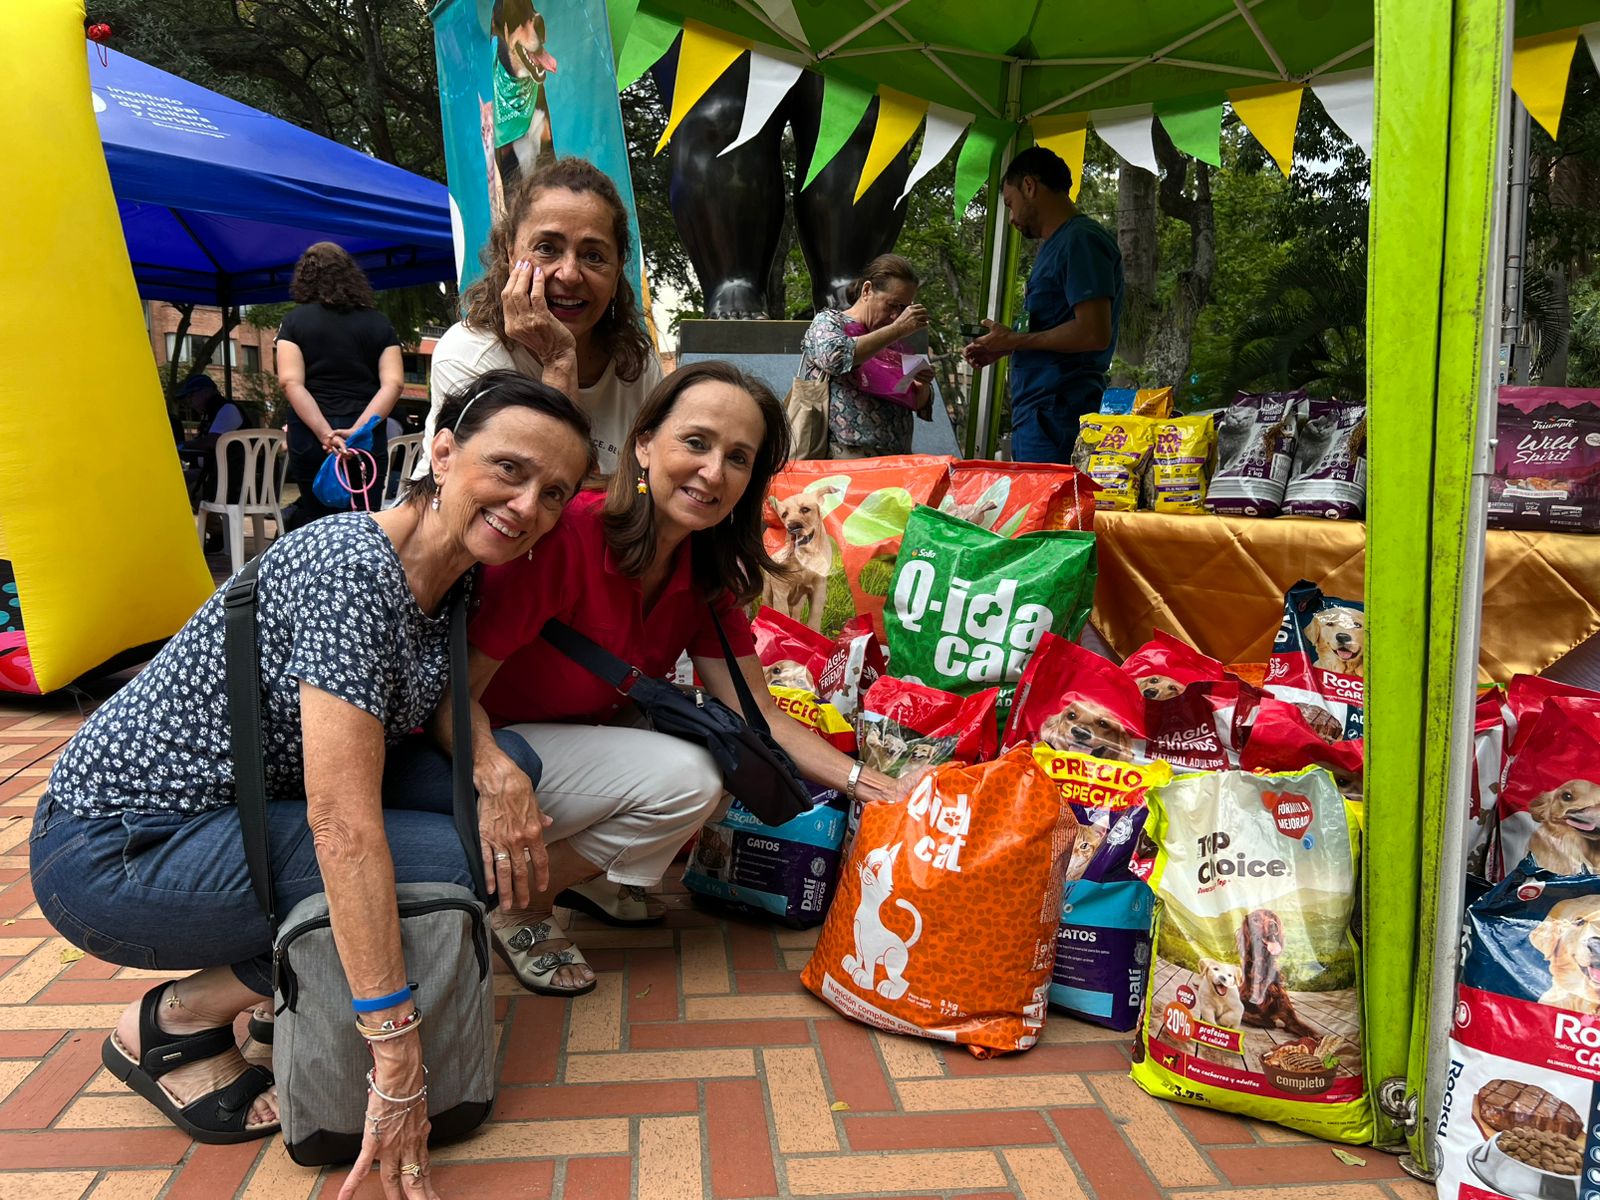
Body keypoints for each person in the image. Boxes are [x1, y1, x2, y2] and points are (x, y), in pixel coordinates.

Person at [30, 371, 593, 1195]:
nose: (528, 504)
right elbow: (343, 825)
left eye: (553, 493)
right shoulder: (351, 568)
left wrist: (494, 764)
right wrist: (395, 1056)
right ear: (441, 453)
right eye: (509, 468)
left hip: (238, 807)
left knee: (502, 787)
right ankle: (171, 1021)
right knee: (452, 859)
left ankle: (286, 978)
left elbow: (429, 695)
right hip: (117, 848)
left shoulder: (450, 568)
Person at [441, 362, 898, 995]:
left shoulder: (703, 569)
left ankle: (589, 875)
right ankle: (521, 907)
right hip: (476, 753)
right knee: (689, 777)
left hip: (569, 746)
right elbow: (450, 689)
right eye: (696, 442)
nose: (714, 471)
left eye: (739, 458)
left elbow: (756, 713)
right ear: (643, 443)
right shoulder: (568, 535)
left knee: (715, 747)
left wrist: (871, 785)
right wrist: (494, 773)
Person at [418, 157, 662, 480]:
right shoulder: (470, 354)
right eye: (547, 248)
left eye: (593, 256)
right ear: (509, 251)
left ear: (617, 271)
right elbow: (531, 500)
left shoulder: (638, 369)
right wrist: (558, 361)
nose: (570, 274)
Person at [963, 146, 1125, 464]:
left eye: (1010, 204)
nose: (1010, 218)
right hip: (1040, 414)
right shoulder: (1056, 245)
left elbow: (1094, 333)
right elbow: (1057, 329)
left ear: (1029, 186)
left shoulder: (1080, 239)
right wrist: (1007, 345)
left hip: (1058, 414)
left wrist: (1017, 341)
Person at [276, 242, 405, 528]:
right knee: (361, 521)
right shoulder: (380, 324)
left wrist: (325, 435)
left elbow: (290, 381)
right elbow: (393, 384)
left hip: (311, 436)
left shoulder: (294, 323)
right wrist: (358, 431)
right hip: (365, 438)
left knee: (317, 521)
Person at [799, 253, 935, 459]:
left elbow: (919, 402)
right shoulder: (829, 322)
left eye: (904, 308)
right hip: (844, 453)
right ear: (867, 290)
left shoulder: (894, 338)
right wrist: (897, 330)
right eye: (892, 305)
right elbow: (835, 357)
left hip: (896, 456)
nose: (896, 316)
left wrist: (921, 383)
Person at [175, 373, 248, 509]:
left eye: (191, 396)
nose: (189, 402)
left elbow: (211, 442)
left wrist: (181, 446)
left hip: (235, 479)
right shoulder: (211, 413)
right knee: (177, 479)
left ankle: (212, 524)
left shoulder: (227, 409)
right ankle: (215, 526)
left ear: (206, 392)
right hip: (222, 475)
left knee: (175, 483)